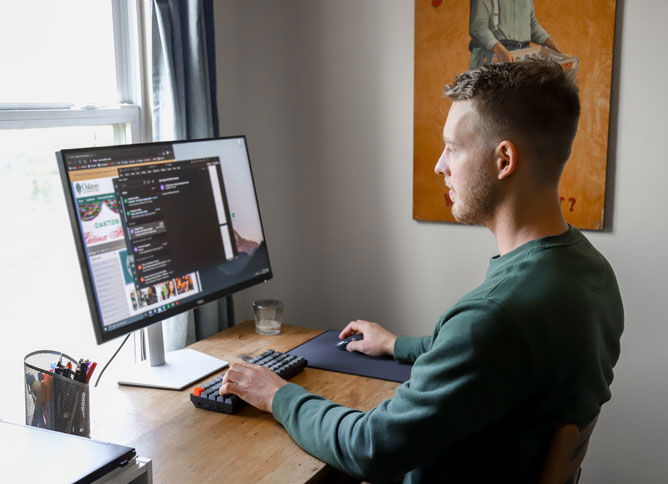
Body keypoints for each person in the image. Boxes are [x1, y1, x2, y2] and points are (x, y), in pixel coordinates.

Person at [219, 60, 624, 483]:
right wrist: (397, 344)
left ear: (504, 159)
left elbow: (369, 448)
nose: (439, 165)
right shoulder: (589, 272)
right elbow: (495, 357)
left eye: (453, 147)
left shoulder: (495, 317)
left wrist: (278, 394)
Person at [469, 0, 561, 68]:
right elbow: (478, 28)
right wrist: (500, 50)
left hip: (522, 57)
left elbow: (533, 26)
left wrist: (549, 41)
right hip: (491, 56)